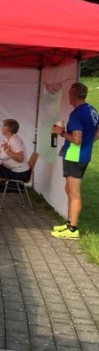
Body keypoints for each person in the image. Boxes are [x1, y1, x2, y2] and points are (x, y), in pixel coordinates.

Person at [51, 82, 99, 240]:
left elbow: (76, 139)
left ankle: (73, 228)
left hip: (74, 155)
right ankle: (70, 222)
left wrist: (61, 132)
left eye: (70, 94)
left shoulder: (77, 113)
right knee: (69, 189)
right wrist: (89, 142)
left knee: (74, 192)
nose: (68, 97)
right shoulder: (92, 110)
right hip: (82, 155)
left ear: (74, 95)